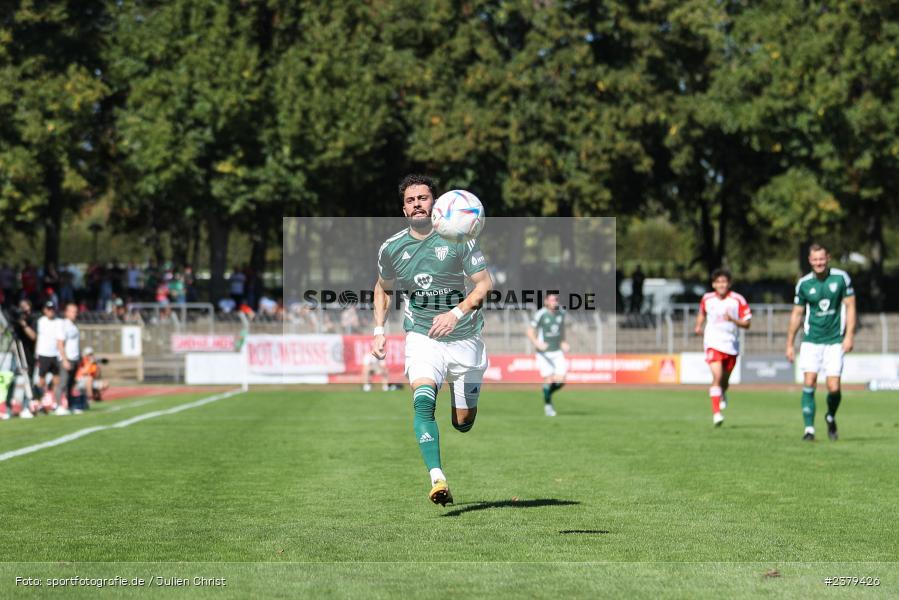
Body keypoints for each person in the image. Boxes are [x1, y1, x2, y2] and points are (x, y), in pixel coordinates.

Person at [372, 174, 493, 507]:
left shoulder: (460, 238)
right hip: (422, 335)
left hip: (464, 337)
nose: (416, 205)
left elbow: (484, 285)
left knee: (463, 422)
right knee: (423, 400)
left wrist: (455, 313)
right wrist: (379, 330)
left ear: (435, 204)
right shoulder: (392, 248)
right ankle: (437, 477)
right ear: (404, 209)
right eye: (410, 200)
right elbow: (383, 287)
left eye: (423, 198)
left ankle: (463, 402)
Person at [786, 244, 856, 441]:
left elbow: (851, 307)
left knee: (834, 387)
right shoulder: (804, 284)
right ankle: (809, 429)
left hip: (835, 341)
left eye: (822, 259)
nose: (819, 263)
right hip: (811, 340)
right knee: (809, 381)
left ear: (828, 258)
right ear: (810, 261)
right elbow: (797, 314)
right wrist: (790, 344)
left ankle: (830, 416)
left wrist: (849, 335)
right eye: (815, 259)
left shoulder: (841, 278)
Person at [693, 269, 751, 426]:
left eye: (724, 282)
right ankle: (716, 413)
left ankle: (723, 392)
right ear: (713, 284)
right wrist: (698, 325)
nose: (721, 285)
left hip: (731, 344)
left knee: (724, 381)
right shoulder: (707, 298)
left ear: (729, 283)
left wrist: (733, 320)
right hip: (712, 342)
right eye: (718, 282)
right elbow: (702, 313)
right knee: (717, 377)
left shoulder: (737, 300)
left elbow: (747, 323)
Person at [526, 293, 569, 417]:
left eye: (556, 299)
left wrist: (563, 341)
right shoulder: (541, 314)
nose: (554, 301)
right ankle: (548, 405)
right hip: (543, 353)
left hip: (557, 351)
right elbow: (529, 331)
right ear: (546, 302)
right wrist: (536, 342)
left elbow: (562, 330)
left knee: (561, 380)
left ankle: (546, 391)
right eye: (552, 300)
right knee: (549, 380)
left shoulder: (561, 313)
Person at [34, 300, 62, 413]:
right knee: (41, 379)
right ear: (45, 310)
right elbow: (38, 338)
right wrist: (37, 354)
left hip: (55, 354)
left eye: (52, 309)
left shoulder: (59, 322)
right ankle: (41, 402)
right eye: (49, 309)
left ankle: (54, 401)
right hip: (43, 353)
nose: (51, 311)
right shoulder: (40, 321)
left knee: (56, 379)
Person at [55, 302, 81, 414]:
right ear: (66, 312)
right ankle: (59, 406)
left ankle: (69, 405)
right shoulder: (64, 325)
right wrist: (64, 359)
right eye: (72, 311)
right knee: (63, 383)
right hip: (67, 358)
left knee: (70, 384)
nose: (75, 313)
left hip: (74, 358)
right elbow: (60, 343)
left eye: (76, 311)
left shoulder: (73, 325)